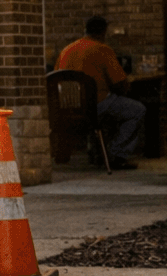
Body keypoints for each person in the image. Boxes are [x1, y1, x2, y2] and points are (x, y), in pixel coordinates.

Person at [57, 15, 145, 169]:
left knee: (113, 108)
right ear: (104, 32)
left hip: (67, 107)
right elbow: (120, 83)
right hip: (96, 104)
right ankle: (116, 154)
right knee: (137, 110)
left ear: (85, 30)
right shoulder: (103, 49)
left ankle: (97, 152)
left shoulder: (66, 50)